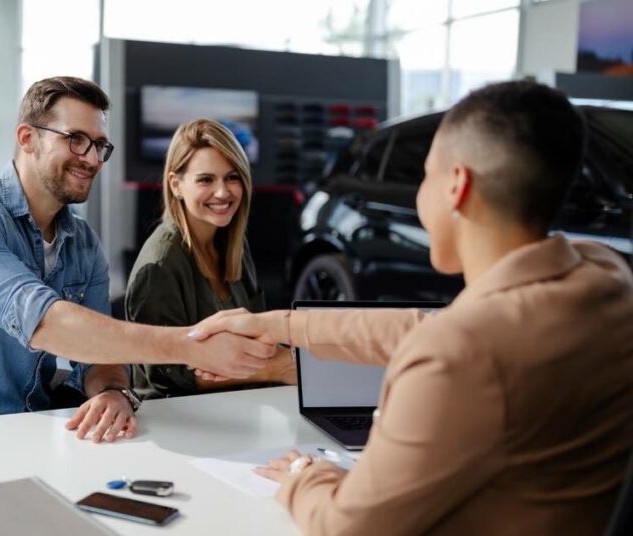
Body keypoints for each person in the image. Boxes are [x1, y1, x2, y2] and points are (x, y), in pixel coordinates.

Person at [190, 80, 633, 533]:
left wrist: (304, 475)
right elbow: (425, 328)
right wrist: (281, 324)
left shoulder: (462, 354)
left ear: (456, 185)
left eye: (424, 175)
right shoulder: (606, 277)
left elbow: (349, 527)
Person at [0, 77, 275, 443]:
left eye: (99, 145)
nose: (91, 158)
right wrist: (191, 347)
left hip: (27, 431)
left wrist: (111, 391)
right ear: (28, 138)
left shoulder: (84, 243)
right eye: (76, 140)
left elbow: (99, 360)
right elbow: (48, 324)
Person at [125, 118, 295, 398]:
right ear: (176, 185)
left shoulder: (233, 245)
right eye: (206, 179)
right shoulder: (160, 265)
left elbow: (258, 336)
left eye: (232, 177)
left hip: (239, 407)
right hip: (179, 423)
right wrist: (277, 369)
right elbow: (167, 378)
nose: (223, 192)